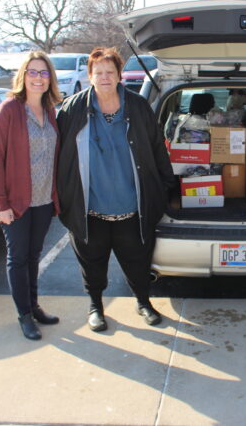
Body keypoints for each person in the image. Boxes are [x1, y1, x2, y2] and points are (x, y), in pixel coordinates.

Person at [56, 47, 175, 332]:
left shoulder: (137, 106)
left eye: (110, 72)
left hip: (132, 208)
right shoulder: (73, 109)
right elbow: (58, 155)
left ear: (120, 75)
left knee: (138, 261)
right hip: (90, 209)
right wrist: (62, 198)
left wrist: (166, 187)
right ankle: (96, 307)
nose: (105, 77)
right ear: (90, 76)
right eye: (99, 73)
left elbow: (158, 148)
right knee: (92, 263)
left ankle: (143, 302)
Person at [0, 51, 62, 340]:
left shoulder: (50, 110)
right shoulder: (9, 110)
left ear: (50, 79)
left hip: (43, 200)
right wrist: (0, 203)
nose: (38, 78)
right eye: (32, 72)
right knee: (17, 258)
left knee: (33, 256)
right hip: (15, 202)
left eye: (44, 73)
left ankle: (34, 305)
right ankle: (24, 316)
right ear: (23, 76)